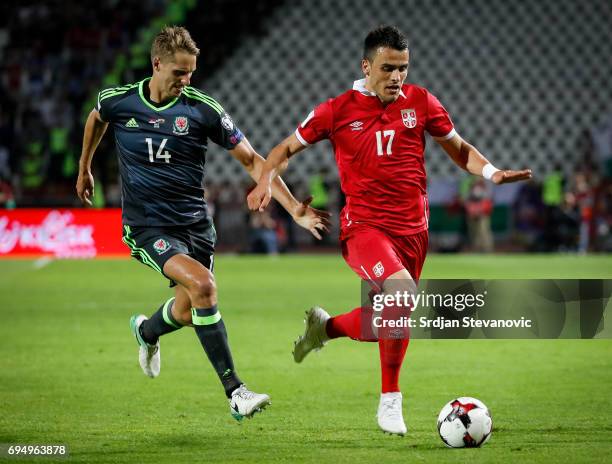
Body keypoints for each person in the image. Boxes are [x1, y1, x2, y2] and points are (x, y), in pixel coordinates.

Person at [247, 25, 531, 435]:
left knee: (391, 317)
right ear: (366, 66)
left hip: (414, 231)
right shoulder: (335, 110)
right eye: (388, 68)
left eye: (403, 68)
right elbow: (283, 150)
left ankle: (324, 328)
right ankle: (390, 402)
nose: (397, 77)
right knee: (401, 295)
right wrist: (265, 182)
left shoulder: (421, 101)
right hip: (364, 228)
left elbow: (459, 148)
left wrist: (492, 172)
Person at [76, 26, 329, 421]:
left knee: (187, 309)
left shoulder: (202, 109)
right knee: (204, 287)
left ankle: (146, 333)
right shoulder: (119, 101)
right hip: (147, 225)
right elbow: (96, 119)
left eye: (191, 72)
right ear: (156, 64)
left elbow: (251, 160)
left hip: (195, 227)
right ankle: (236, 392)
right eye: (178, 72)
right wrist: (85, 166)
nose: (185, 80)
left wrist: (293, 206)